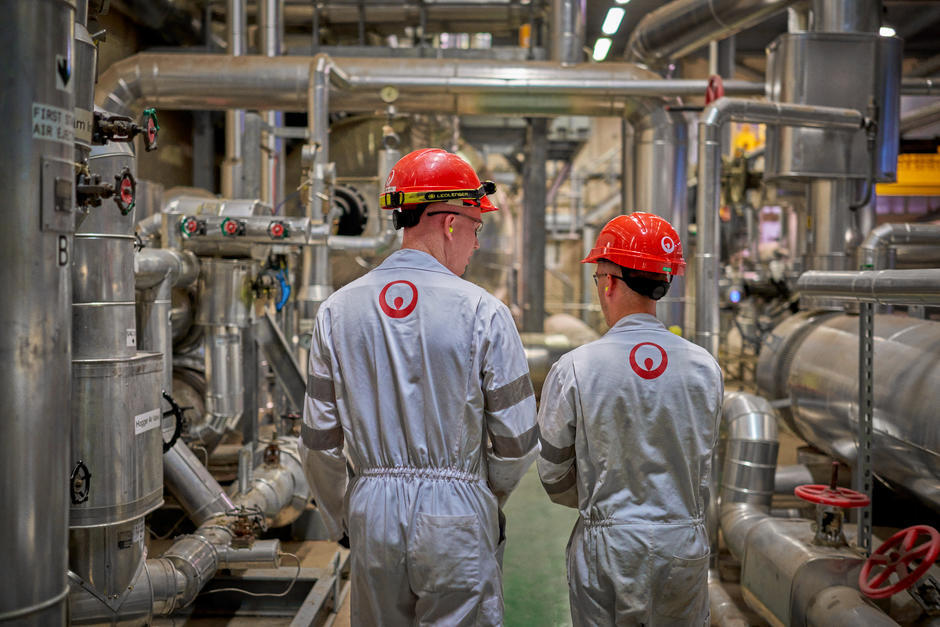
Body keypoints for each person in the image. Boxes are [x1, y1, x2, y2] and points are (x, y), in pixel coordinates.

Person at [300, 148, 538, 626]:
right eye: (476, 227)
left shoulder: (337, 310)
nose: (475, 244)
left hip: (371, 512)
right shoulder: (483, 312)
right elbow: (516, 442)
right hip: (457, 511)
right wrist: (476, 495)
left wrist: (344, 513)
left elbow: (319, 441)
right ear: (449, 222)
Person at [536, 212, 723, 626]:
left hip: (608, 546)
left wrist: (596, 501)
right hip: (683, 543)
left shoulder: (576, 367)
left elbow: (551, 473)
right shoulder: (704, 368)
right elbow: (704, 466)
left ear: (608, 281)